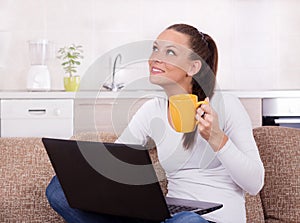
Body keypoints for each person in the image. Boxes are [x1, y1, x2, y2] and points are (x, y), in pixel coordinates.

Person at [46, 24, 264, 223]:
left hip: (209, 220)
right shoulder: (153, 109)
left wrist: (216, 137)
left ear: (193, 67)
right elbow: (116, 162)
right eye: (155, 49)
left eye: (170, 52)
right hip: (167, 219)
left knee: (187, 220)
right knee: (59, 189)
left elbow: (254, 183)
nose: (155, 58)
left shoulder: (227, 106)